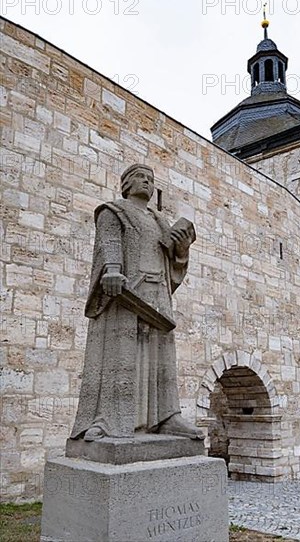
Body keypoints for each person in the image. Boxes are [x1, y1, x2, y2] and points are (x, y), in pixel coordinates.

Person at [70, 163, 204, 441]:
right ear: (127, 184)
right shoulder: (113, 211)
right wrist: (112, 270)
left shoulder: (159, 221)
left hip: (157, 294)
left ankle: (167, 416)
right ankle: (105, 419)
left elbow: (173, 265)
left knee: (161, 357)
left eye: (150, 179)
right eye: (140, 177)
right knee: (121, 355)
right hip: (127, 292)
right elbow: (109, 243)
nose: (146, 182)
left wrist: (181, 248)